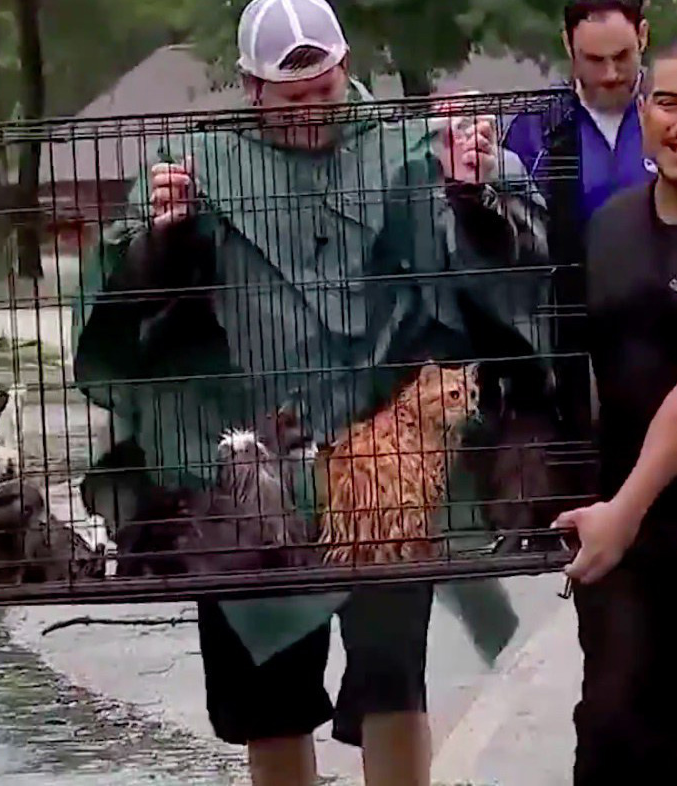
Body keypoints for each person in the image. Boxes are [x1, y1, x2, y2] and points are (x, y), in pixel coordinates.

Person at [74, 1, 544, 783]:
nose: (308, 111)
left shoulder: (412, 149)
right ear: (252, 88)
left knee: (394, 684)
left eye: (322, 90)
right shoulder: (202, 165)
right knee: (273, 701)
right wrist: (163, 237)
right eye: (288, 100)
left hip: (380, 469)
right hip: (249, 466)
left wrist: (474, 189)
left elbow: (515, 251)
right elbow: (124, 299)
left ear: (344, 66)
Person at [551, 40, 677, 785]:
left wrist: (623, 509)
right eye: (667, 103)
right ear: (641, 110)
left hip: (637, 510)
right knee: (611, 721)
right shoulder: (609, 230)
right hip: (623, 531)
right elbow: (569, 363)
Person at [504, 0, 656, 443]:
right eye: (594, 60)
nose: (610, 74)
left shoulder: (666, 115)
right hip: (569, 334)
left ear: (643, 35)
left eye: (622, 57)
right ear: (567, 44)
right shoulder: (535, 130)